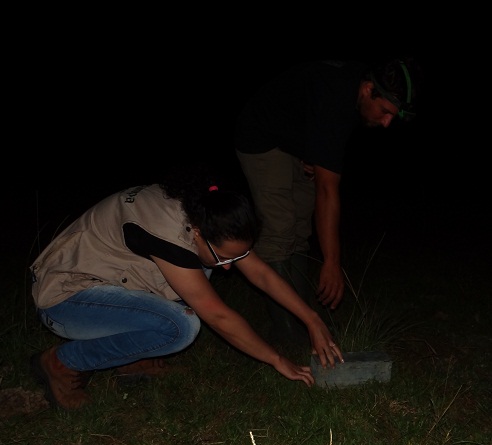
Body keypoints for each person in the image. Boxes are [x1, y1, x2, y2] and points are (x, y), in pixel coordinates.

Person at [29, 163, 343, 410]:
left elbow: (260, 274)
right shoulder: (168, 233)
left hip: (111, 280)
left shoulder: (204, 210)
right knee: (180, 326)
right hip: (65, 298)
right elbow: (217, 315)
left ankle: (134, 360)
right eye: (225, 257)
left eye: (236, 258)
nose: (229, 268)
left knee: (202, 270)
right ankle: (63, 363)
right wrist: (277, 360)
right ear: (197, 232)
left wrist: (311, 319)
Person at [234, 56, 423, 345]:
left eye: (392, 116)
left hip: (297, 142)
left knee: (300, 228)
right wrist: (332, 262)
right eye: (385, 111)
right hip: (261, 135)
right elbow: (327, 190)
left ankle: (303, 318)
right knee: (279, 227)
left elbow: (319, 131)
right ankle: (286, 332)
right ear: (368, 89)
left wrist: (314, 151)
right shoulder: (336, 98)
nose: (387, 123)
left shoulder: (356, 93)